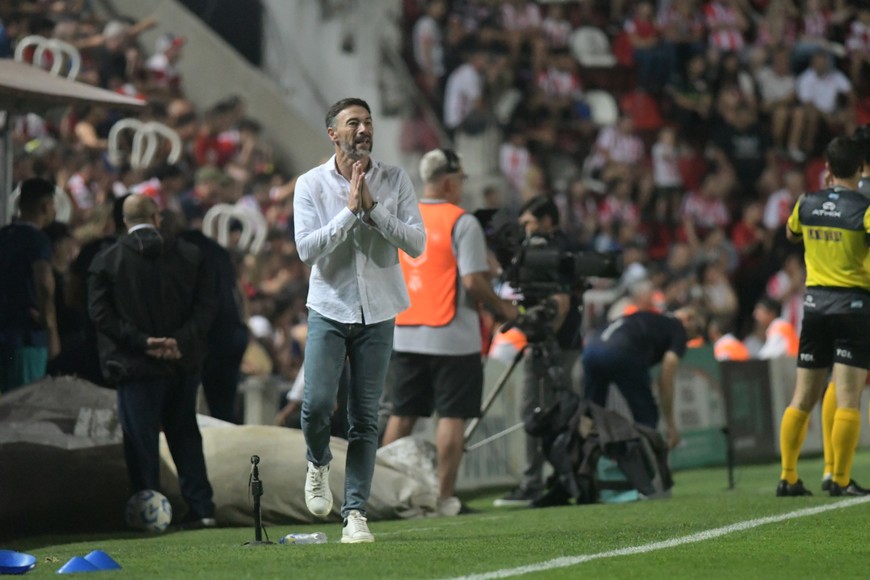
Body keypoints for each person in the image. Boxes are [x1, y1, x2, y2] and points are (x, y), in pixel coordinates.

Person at [293, 97, 425, 543]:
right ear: (333, 133)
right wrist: (350, 213)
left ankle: (354, 513)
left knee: (365, 419)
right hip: (329, 307)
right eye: (354, 123)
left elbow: (416, 244)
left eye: (368, 122)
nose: (364, 129)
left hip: (380, 311)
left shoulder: (395, 178)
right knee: (316, 405)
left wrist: (374, 210)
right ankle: (317, 463)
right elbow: (307, 250)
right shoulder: (310, 184)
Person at [380, 149, 518, 516]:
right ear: (448, 182)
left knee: (402, 415)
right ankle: (444, 498)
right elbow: (473, 282)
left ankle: (382, 496)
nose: (462, 187)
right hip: (452, 334)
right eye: (459, 180)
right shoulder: (462, 221)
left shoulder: (402, 215)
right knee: (452, 416)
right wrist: (503, 308)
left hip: (406, 329)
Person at [88, 194, 218, 528]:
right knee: (185, 435)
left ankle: (147, 512)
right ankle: (202, 509)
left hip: (134, 366)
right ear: (157, 217)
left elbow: (101, 315)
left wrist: (143, 342)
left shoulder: (107, 261)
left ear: (124, 221)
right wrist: (179, 341)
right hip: (181, 363)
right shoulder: (191, 255)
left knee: (140, 442)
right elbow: (207, 307)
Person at [777, 136, 870, 498]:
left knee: (802, 397)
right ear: (860, 169)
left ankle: (788, 477)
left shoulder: (806, 203)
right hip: (852, 308)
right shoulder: (864, 209)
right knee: (848, 397)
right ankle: (841, 479)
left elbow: (791, 234)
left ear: (827, 169)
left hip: (815, 308)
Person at [495, 196, 584, 507]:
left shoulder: (554, 252)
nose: (524, 230)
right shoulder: (561, 248)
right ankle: (562, 479)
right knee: (550, 413)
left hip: (556, 346)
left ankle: (539, 481)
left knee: (539, 412)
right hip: (562, 343)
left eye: (529, 223)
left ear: (547, 221)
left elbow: (561, 303)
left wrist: (543, 335)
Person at [582, 308, 701, 449]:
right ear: (687, 320)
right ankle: (646, 456)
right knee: (647, 415)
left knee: (592, 412)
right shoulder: (678, 330)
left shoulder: (651, 317)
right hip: (623, 351)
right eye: (696, 332)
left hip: (591, 350)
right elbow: (667, 372)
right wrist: (671, 425)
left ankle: (582, 453)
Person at [0, 177, 59, 393]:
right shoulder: (37, 240)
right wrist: (49, 326)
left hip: (4, 335)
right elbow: (44, 283)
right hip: (26, 339)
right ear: (45, 206)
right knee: (22, 402)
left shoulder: (3, 235)